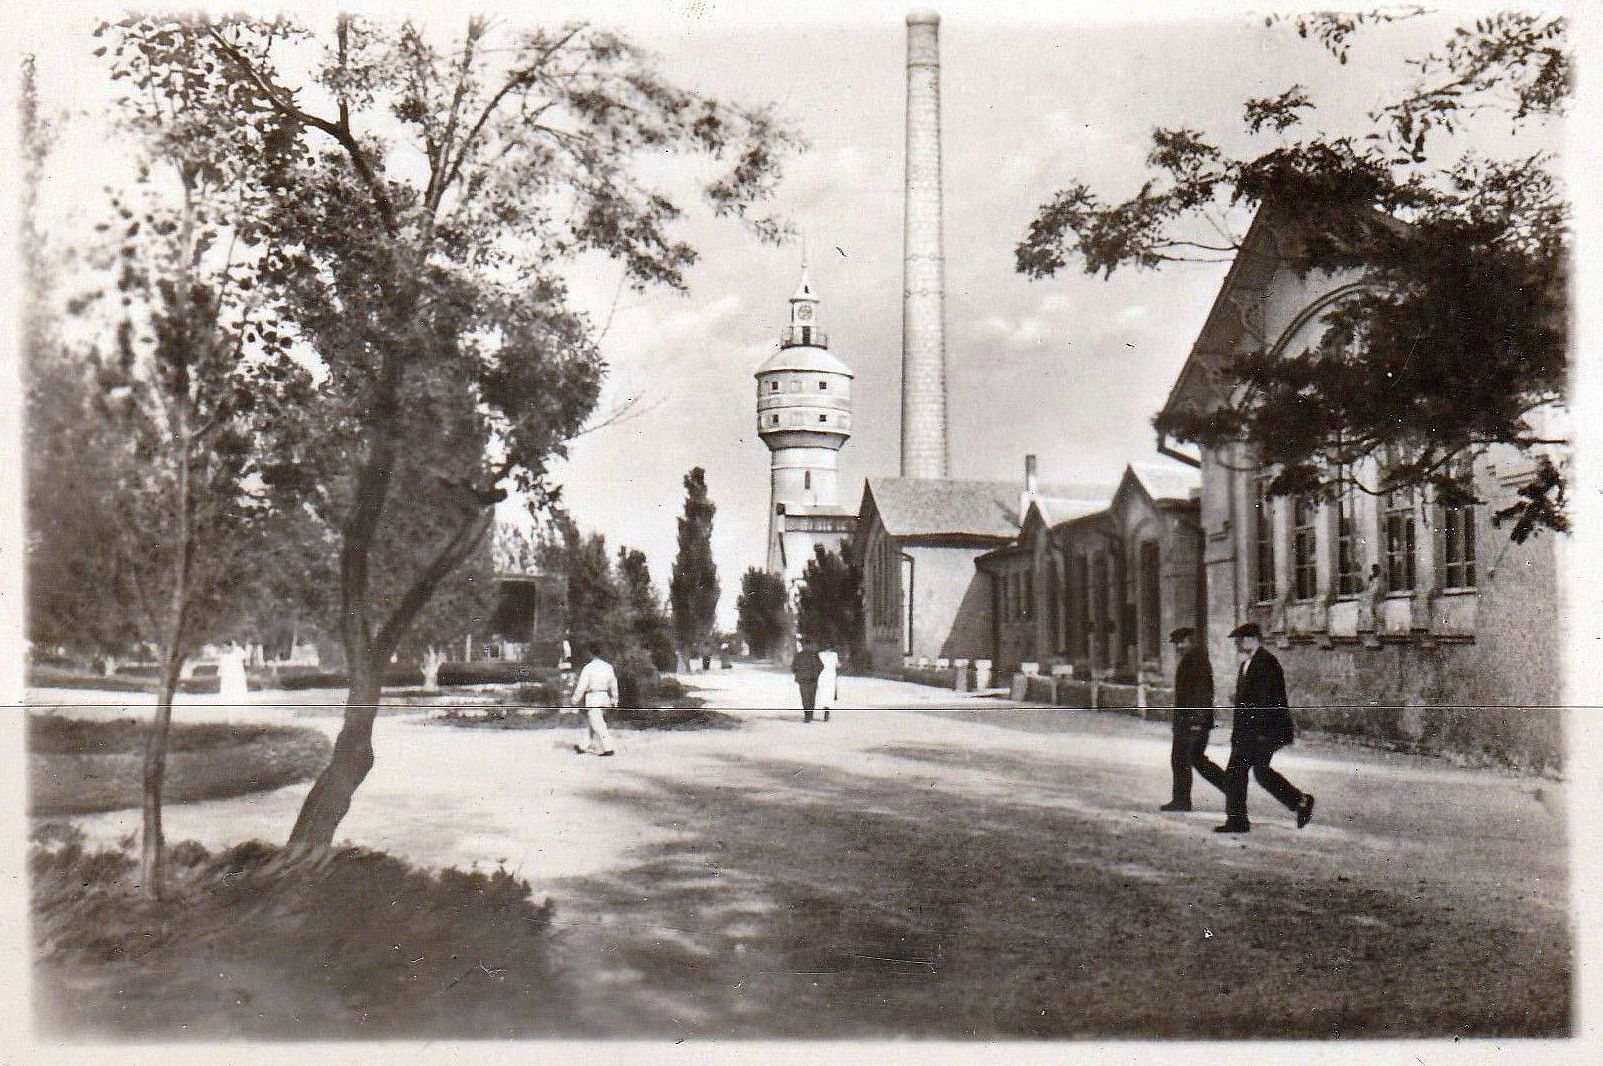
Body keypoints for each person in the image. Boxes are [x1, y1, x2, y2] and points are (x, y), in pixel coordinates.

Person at [1215, 623, 1315, 833]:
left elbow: (1268, 700)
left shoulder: (1267, 662)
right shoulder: (1248, 664)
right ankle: (1300, 801)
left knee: (1240, 772)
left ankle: (1238, 821)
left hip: (1263, 731)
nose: (1238, 643)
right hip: (1250, 731)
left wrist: (1260, 733)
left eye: (1241, 639)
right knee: (1255, 772)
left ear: (1253, 639)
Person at [1159, 627, 1226, 812]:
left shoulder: (1197, 661)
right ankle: (1231, 789)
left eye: (1181, 642)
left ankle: (1182, 801)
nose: (1178, 647)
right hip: (1188, 722)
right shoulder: (1192, 659)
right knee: (1194, 759)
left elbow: (1202, 694)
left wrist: (1197, 721)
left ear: (1190, 641)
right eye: (1176, 644)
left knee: (1182, 759)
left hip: (1192, 723)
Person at [566, 643, 618, 757]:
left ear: (590, 653)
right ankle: (583, 746)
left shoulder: (588, 668)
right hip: (604, 697)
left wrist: (574, 700)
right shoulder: (608, 667)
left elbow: (582, 686)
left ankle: (608, 748)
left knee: (598, 724)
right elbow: (613, 684)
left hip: (593, 697)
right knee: (593, 722)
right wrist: (615, 699)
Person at [792, 638, 824, 723]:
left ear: (802, 645)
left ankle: (807, 716)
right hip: (813, 678)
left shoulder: (799, 655)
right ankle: (810, 714)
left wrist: (798, 673)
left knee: (805, 697)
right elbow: (821, 666)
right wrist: (816, 673)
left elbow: (793, 667)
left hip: (802, 679)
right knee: (812, 697)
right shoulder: (814, 655)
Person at [816, 645, 841, 723]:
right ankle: (827, 713)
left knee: (823, 694)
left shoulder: (820, 654)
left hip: (822, 676)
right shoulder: (834, 654)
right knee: (829, 695)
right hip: (831, 676)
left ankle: (824, 710)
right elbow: (837, 665)